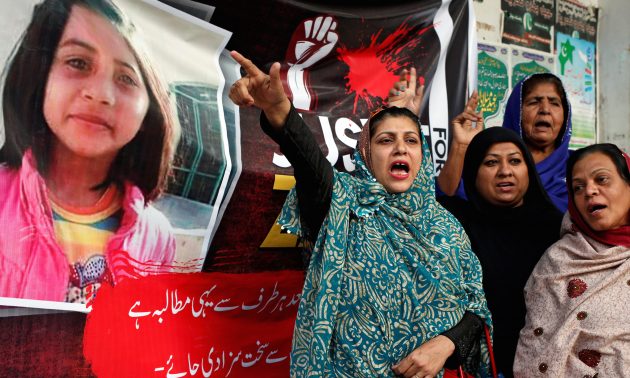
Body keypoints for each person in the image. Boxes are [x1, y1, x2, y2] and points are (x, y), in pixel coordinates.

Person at [229, 51, 493, 378]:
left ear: (422, 155)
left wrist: (445, 344)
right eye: (386, 140)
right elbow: (309, 164)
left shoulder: (448, 228)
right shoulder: (343, 203)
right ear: (366, 155)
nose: (400, 148)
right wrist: (278, 108)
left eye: (411, 140)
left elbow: (475, 308)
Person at [0, 0, 178, 303]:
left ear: (149, 112)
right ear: (40, 75)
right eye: (78, 63)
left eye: (126, 78)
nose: (100, 94)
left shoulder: (158, 237)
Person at [438, 127, 562, 377]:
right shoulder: (455, 224)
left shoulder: (556, 228)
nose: (505, 171)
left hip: (547, 364)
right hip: (477, 364)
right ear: (472, 172)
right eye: (491, 162)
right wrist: (460, 146)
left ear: (528, 169)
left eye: (515, 161)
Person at [514, 143, 630, 377]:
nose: (589, 191)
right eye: (578, 187)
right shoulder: (558, 262)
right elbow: (535, 345)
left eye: (602, 179)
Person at [389, 70, 572, 212]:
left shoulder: (577, 168)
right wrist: (460, 146)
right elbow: (444, 197)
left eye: (554, 103)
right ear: (516, 111)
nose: (545, 110)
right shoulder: (488, 161)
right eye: (534, 102)